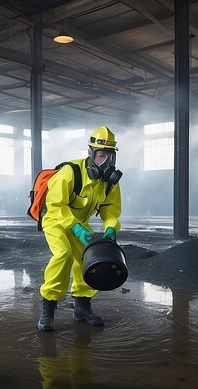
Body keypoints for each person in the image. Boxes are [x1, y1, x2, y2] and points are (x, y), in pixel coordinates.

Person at [37, 126, 122, 332]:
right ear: (90, 153)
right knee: (64, 255)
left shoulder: (109, 183)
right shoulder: (70, 172)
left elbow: (111, 210)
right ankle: (48, 307)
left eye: (110, 157)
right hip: (56, 220)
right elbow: (56, 206)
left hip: (80, 223)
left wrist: (111, 228)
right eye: (101, 156)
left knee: (88, 258)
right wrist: (73, 226)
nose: (106, 163)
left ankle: (82, 307)